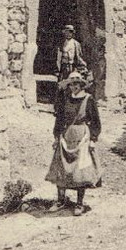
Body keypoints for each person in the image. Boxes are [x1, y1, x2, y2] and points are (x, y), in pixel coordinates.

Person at [46, 69, 101, 215]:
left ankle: (79, 203)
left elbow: (96, 121)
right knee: (61, 167)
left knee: (80, 170)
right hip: (66, 136)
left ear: (81, 85)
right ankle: (60, 200)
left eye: (76, 84)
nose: (74, 87)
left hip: (81, 136)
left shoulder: (88, 99)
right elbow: (59, 120)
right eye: (71, 84)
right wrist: (57, 136)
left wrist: (93, 139)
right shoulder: (65, 99)